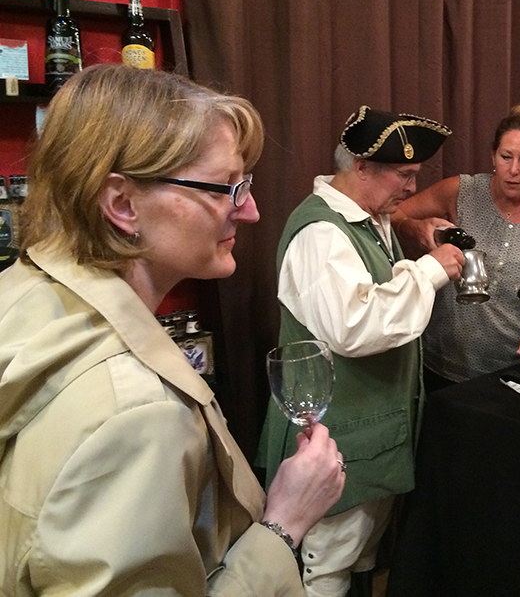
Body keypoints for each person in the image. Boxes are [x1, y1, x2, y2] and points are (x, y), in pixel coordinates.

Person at [0, 65, 345, 595]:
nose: (250, 210)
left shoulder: (25, 289)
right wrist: (284, 524)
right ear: (122, 204)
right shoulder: (136, 412)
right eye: (225, 188)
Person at [256, 106, 465, 597]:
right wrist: (430, 271)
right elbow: (355, 325)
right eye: (404, 174)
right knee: (324, 572)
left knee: (358, 562)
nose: (412, 187)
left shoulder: (368, 219)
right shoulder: (320, 233)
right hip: (333, 443)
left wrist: (413, 234)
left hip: (368, 441)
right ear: (361, 166)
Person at [394, 105, 520, 386]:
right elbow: (393, 214)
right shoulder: (461, 192)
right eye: (506, 157)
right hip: (441, 363)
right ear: (493, 156)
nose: (514, 170)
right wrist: (416, 230)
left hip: (515, 369)